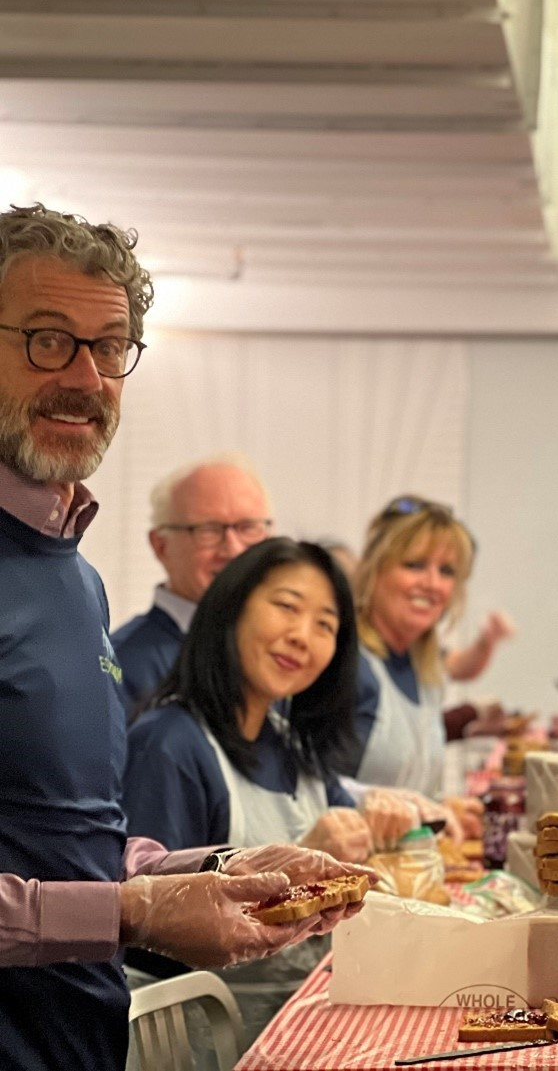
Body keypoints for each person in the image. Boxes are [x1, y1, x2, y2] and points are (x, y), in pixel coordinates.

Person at [0, 203, 365, 1071]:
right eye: (47, 339)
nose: (85, 378)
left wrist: (217, 865)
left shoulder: (72, 573)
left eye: (109, 347)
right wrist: (134, 914)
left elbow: (73, 839)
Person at [123, 537, 421, 1044]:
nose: (303, 636)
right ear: (230, 606)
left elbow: (351, 849)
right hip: (220, 1044)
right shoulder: (170, 745)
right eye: (286, 607)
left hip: (309, 1026)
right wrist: (303, 861)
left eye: (325, 625)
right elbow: (148, 934)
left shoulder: (291, 743)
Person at [330, 495, 514, 797]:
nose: (432, 584)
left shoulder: (424, 668)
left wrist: (442, 811)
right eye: (414, 565)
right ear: (375, 570)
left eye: (446, 571)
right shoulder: (346, 664)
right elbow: (307, 791)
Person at [111, 455, 273, 716]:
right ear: (160, 546)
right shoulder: (122, 666)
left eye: (248, 527)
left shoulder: (286, 654)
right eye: (208, 530)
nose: (233, 549)